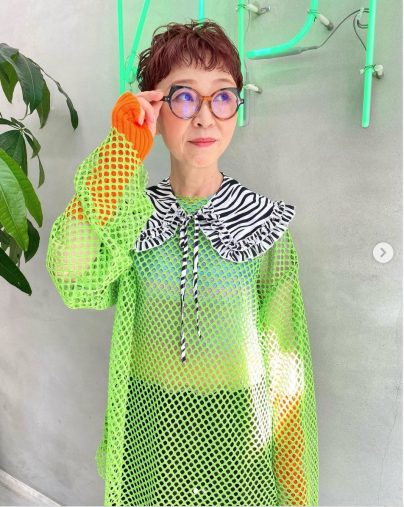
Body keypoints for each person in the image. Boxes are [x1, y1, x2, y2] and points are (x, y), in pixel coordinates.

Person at [46, 18, 319, 507]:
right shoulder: (129, 215)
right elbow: (73, 273)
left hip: (241, 435)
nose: (206, 118)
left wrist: (295, 487)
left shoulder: (264, 225)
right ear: (154, 105)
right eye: (185, 96)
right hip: (149, 426)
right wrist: (122, 154)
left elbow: (286, 366)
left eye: (223, 96)